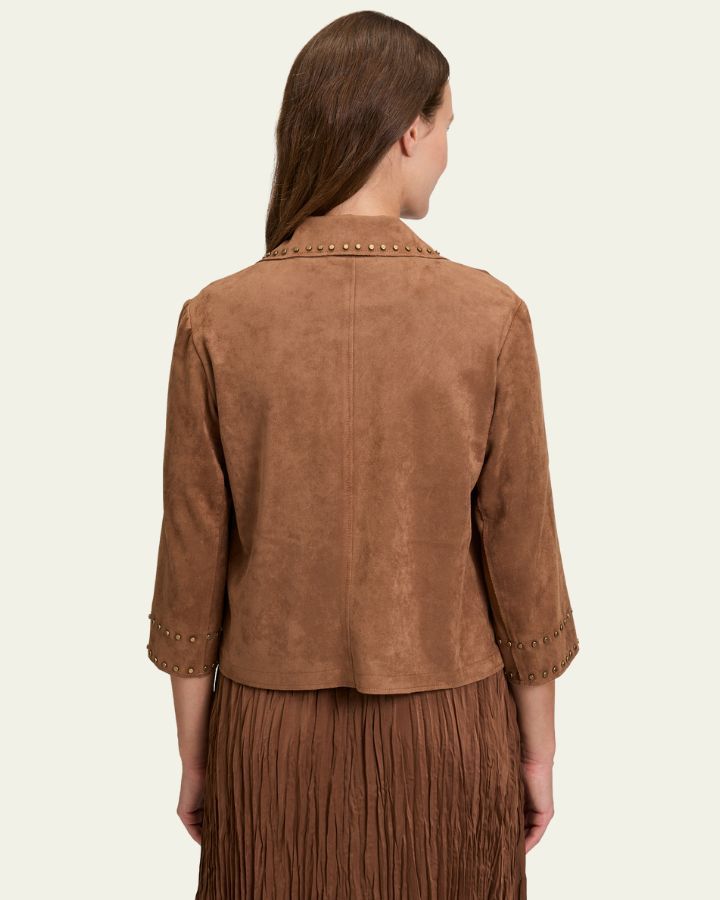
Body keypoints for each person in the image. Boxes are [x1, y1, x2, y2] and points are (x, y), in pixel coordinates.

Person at [145, 11, 581, 900]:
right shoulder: (490, 316)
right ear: (409, 130)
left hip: (270, 739)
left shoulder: (217, 318)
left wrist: (196, 757)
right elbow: (524, 561)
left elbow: (189, 567)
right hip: (447, 732)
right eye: (448, 124)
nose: (448, 149)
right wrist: (538, 754)